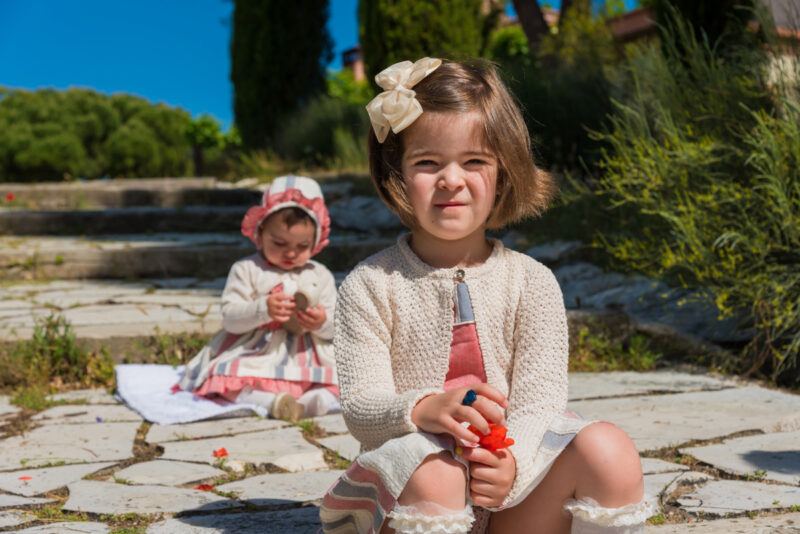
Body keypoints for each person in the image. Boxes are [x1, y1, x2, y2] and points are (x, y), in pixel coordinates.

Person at [320, 58, 652, 534]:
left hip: (511, 494)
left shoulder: (532, 282)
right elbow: (360, 406)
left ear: (505, 172)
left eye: (474, 161)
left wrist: (513, 461)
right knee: (438, 474)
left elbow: (541, 398)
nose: (451, 179)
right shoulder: (371, 285)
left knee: (609, 451)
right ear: (397, 174)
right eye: (427, 162)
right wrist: (420, 409)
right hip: (412, 498)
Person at [178, 175, 338, 421]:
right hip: (257, 349)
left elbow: (338, 326)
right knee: (228, 375)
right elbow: (230, 319)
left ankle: (313, 402)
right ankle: (271, 402)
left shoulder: (319, 274)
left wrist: (321, 322)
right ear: (260, 232)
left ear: (317, 241)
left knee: (344, 377)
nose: (291, 252)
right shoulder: (247, 269)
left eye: (303, 245)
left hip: (306, 352)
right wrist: (262, 310)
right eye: (279, 242)